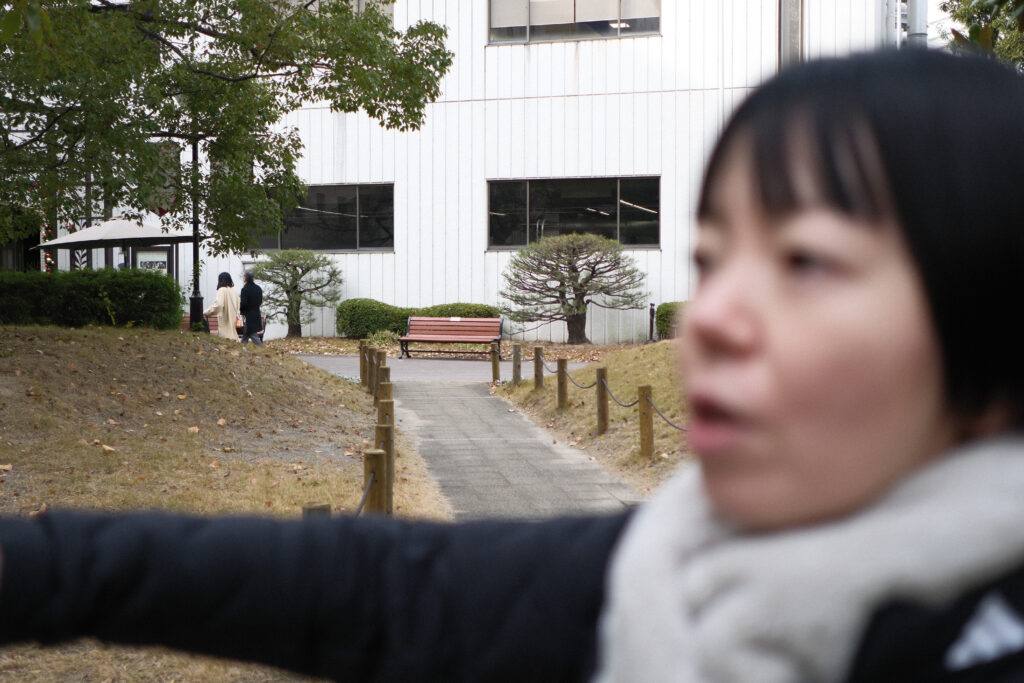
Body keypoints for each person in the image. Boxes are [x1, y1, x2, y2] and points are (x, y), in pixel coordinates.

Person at [4, 49, 1024, 682]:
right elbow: (377, 591)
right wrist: (44, 569)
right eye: (710, 260)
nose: (714, 315)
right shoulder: (679, 573)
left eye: (804, 260)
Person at [203, 271, 240, 341]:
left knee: (225, 340)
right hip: (233, 321)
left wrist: (207, 312)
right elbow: (238, 305)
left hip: (225, 321)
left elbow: (218, 306)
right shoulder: (234, 290)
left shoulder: (222, 290)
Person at [239, 269, 264, 345]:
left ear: (246, 277)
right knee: (247, 333)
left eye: (244, 276)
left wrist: (241, 311)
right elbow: (260, 301)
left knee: (252, 333)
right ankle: (242, 347)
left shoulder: (245, 289)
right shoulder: (258, 288)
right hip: (256, 313)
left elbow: (244, 303)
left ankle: (261, 348)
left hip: (248, 315)